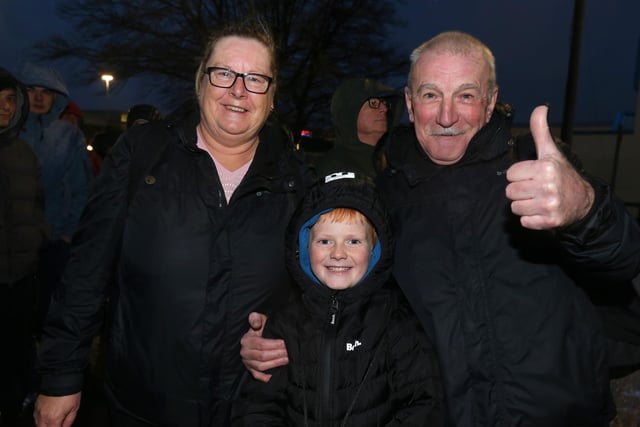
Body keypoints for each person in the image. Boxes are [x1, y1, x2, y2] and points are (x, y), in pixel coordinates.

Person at [240, 31, 640, 426]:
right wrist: (278, 334)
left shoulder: (538, 173)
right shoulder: (386, 199)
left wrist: (584, 209)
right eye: (431, 95)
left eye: (465, 95)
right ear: (411, 105)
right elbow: (351, 302)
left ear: (490, 103)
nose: (447, 116)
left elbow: (624, 260)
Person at [33, 19, 315, 427]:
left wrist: (293, 333)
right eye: (224, 74)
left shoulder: (297, 181)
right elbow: (86, 271)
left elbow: (325, 291)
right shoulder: (142, 155)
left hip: (254, 409)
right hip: (145, 404)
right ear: (201, 81)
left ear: (271, 97)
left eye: (255, 78)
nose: (238, 89)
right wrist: (60, 376)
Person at [232, 173, 443, 426]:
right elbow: (257, 406)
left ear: (375, 250)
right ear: (303, 248)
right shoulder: (285, 322)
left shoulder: (396, 322)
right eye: (324, 241)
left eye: (353, 241)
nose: (338, 253)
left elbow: (425, 405)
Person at [18, 62, 92, 334]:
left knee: (47, 315)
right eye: (31, 90)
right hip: (11, 244)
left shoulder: (68, 136)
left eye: (45, 92)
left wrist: (69, 233)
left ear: (56, 97)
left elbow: (81, 187)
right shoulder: (9, 133)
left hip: (53, 242)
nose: (38, 97)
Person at [0, 68, 48, 425]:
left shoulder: (24, 152)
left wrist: (41, 241)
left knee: (16, 348)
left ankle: (14, 402)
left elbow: (36, 207)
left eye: (9, 100)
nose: (3, 107)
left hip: (20, 277)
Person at [314, 78, 402, 178]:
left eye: (385, 103)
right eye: (373, 103)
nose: (385, 109)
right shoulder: (335, 167)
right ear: (350, 112)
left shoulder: (391, 165)